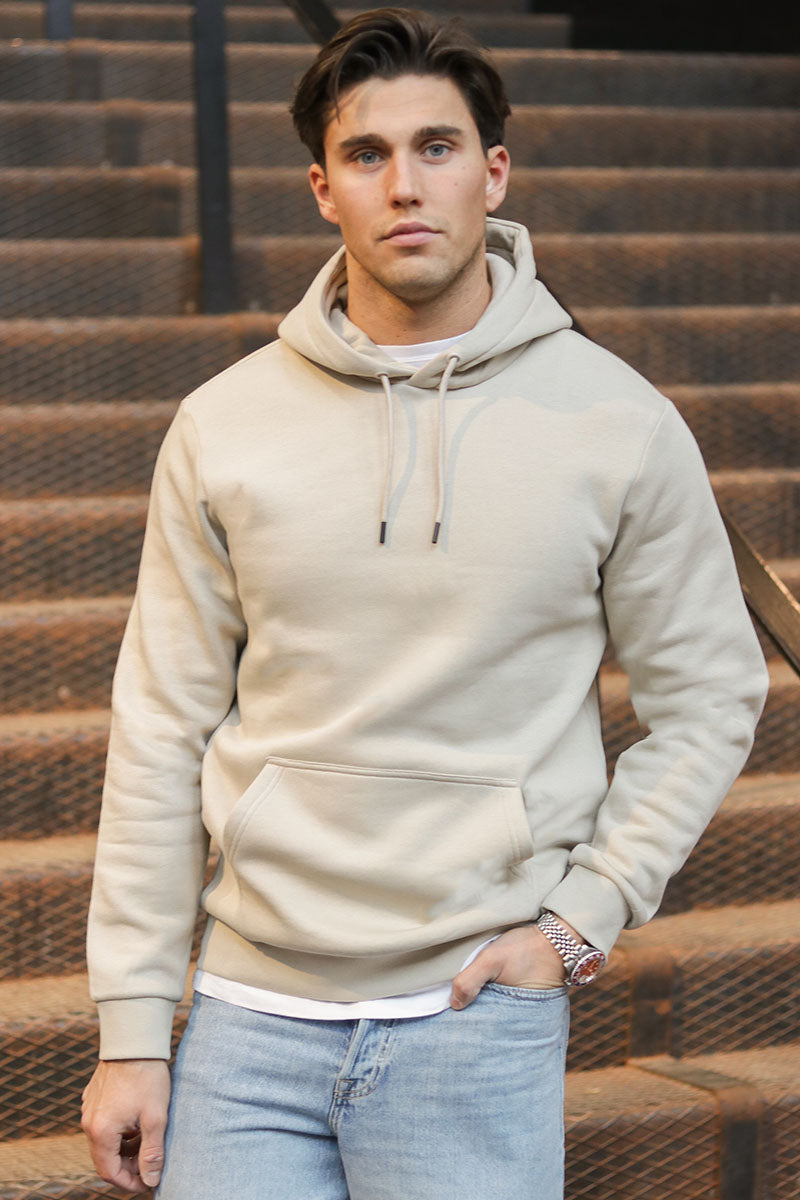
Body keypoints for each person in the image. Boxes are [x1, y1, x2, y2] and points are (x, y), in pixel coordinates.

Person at [81, 8, 769, 1198]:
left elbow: (710, 694)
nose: (404, 184)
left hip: (471, 1016)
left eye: (436, 148)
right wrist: (134, 1027)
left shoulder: (615, 422)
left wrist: (578, 919)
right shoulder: (225, 425)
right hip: (247, 1017)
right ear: (322, 188)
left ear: (492, 173)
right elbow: (159, 727)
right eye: (366, 154)